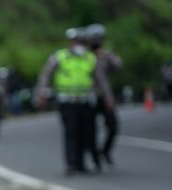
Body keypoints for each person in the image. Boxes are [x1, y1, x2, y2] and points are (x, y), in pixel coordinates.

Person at [36, 28, 114, 176]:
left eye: (81, 41)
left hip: (85, 101)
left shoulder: (90, 58)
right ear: (70, 42)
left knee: (86, 133)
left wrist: (108, 97)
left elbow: (102, 80)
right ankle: (71, 164)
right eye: (76, 41)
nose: (78, 44)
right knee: (71, 132)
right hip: (67, 101)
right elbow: (45, 75)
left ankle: (81, 164)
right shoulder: (60, 57)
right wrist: (41, 93)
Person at [85, 24, 122, 165]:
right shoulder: (83, 55)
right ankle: (95, 158)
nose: (96, 41)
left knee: (113, 126)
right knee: (90, 129)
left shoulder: (105, 54)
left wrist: (107, 56)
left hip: (105, 97)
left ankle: (105, 151)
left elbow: (118, 66)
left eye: (99, 38)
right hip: (88, 97)